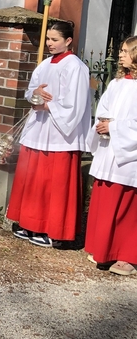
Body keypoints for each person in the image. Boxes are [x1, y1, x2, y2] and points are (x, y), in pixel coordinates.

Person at [7, 21, 90, 248]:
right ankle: (30, 223)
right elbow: (30, 91)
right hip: (39, 129)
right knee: (34, 181)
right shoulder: (44, 64)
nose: (49, 43)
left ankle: (54, 230)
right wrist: (34, 93)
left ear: (68, 41)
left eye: (55, 39)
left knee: (55, 185)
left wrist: (47, 106)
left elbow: (76, 105)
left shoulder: (76, 67)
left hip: (60, 135)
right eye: (48, 39)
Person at [84, 36, 137, 275]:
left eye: (126, 51)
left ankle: (126, 257)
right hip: (109, 150)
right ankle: (102, 250)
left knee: (125, 206)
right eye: (121, 50)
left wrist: (114, 127)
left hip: (128, 156)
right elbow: (103, 108)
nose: (120, 55)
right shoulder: (116, 83)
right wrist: (103, 123)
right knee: (105, 201)